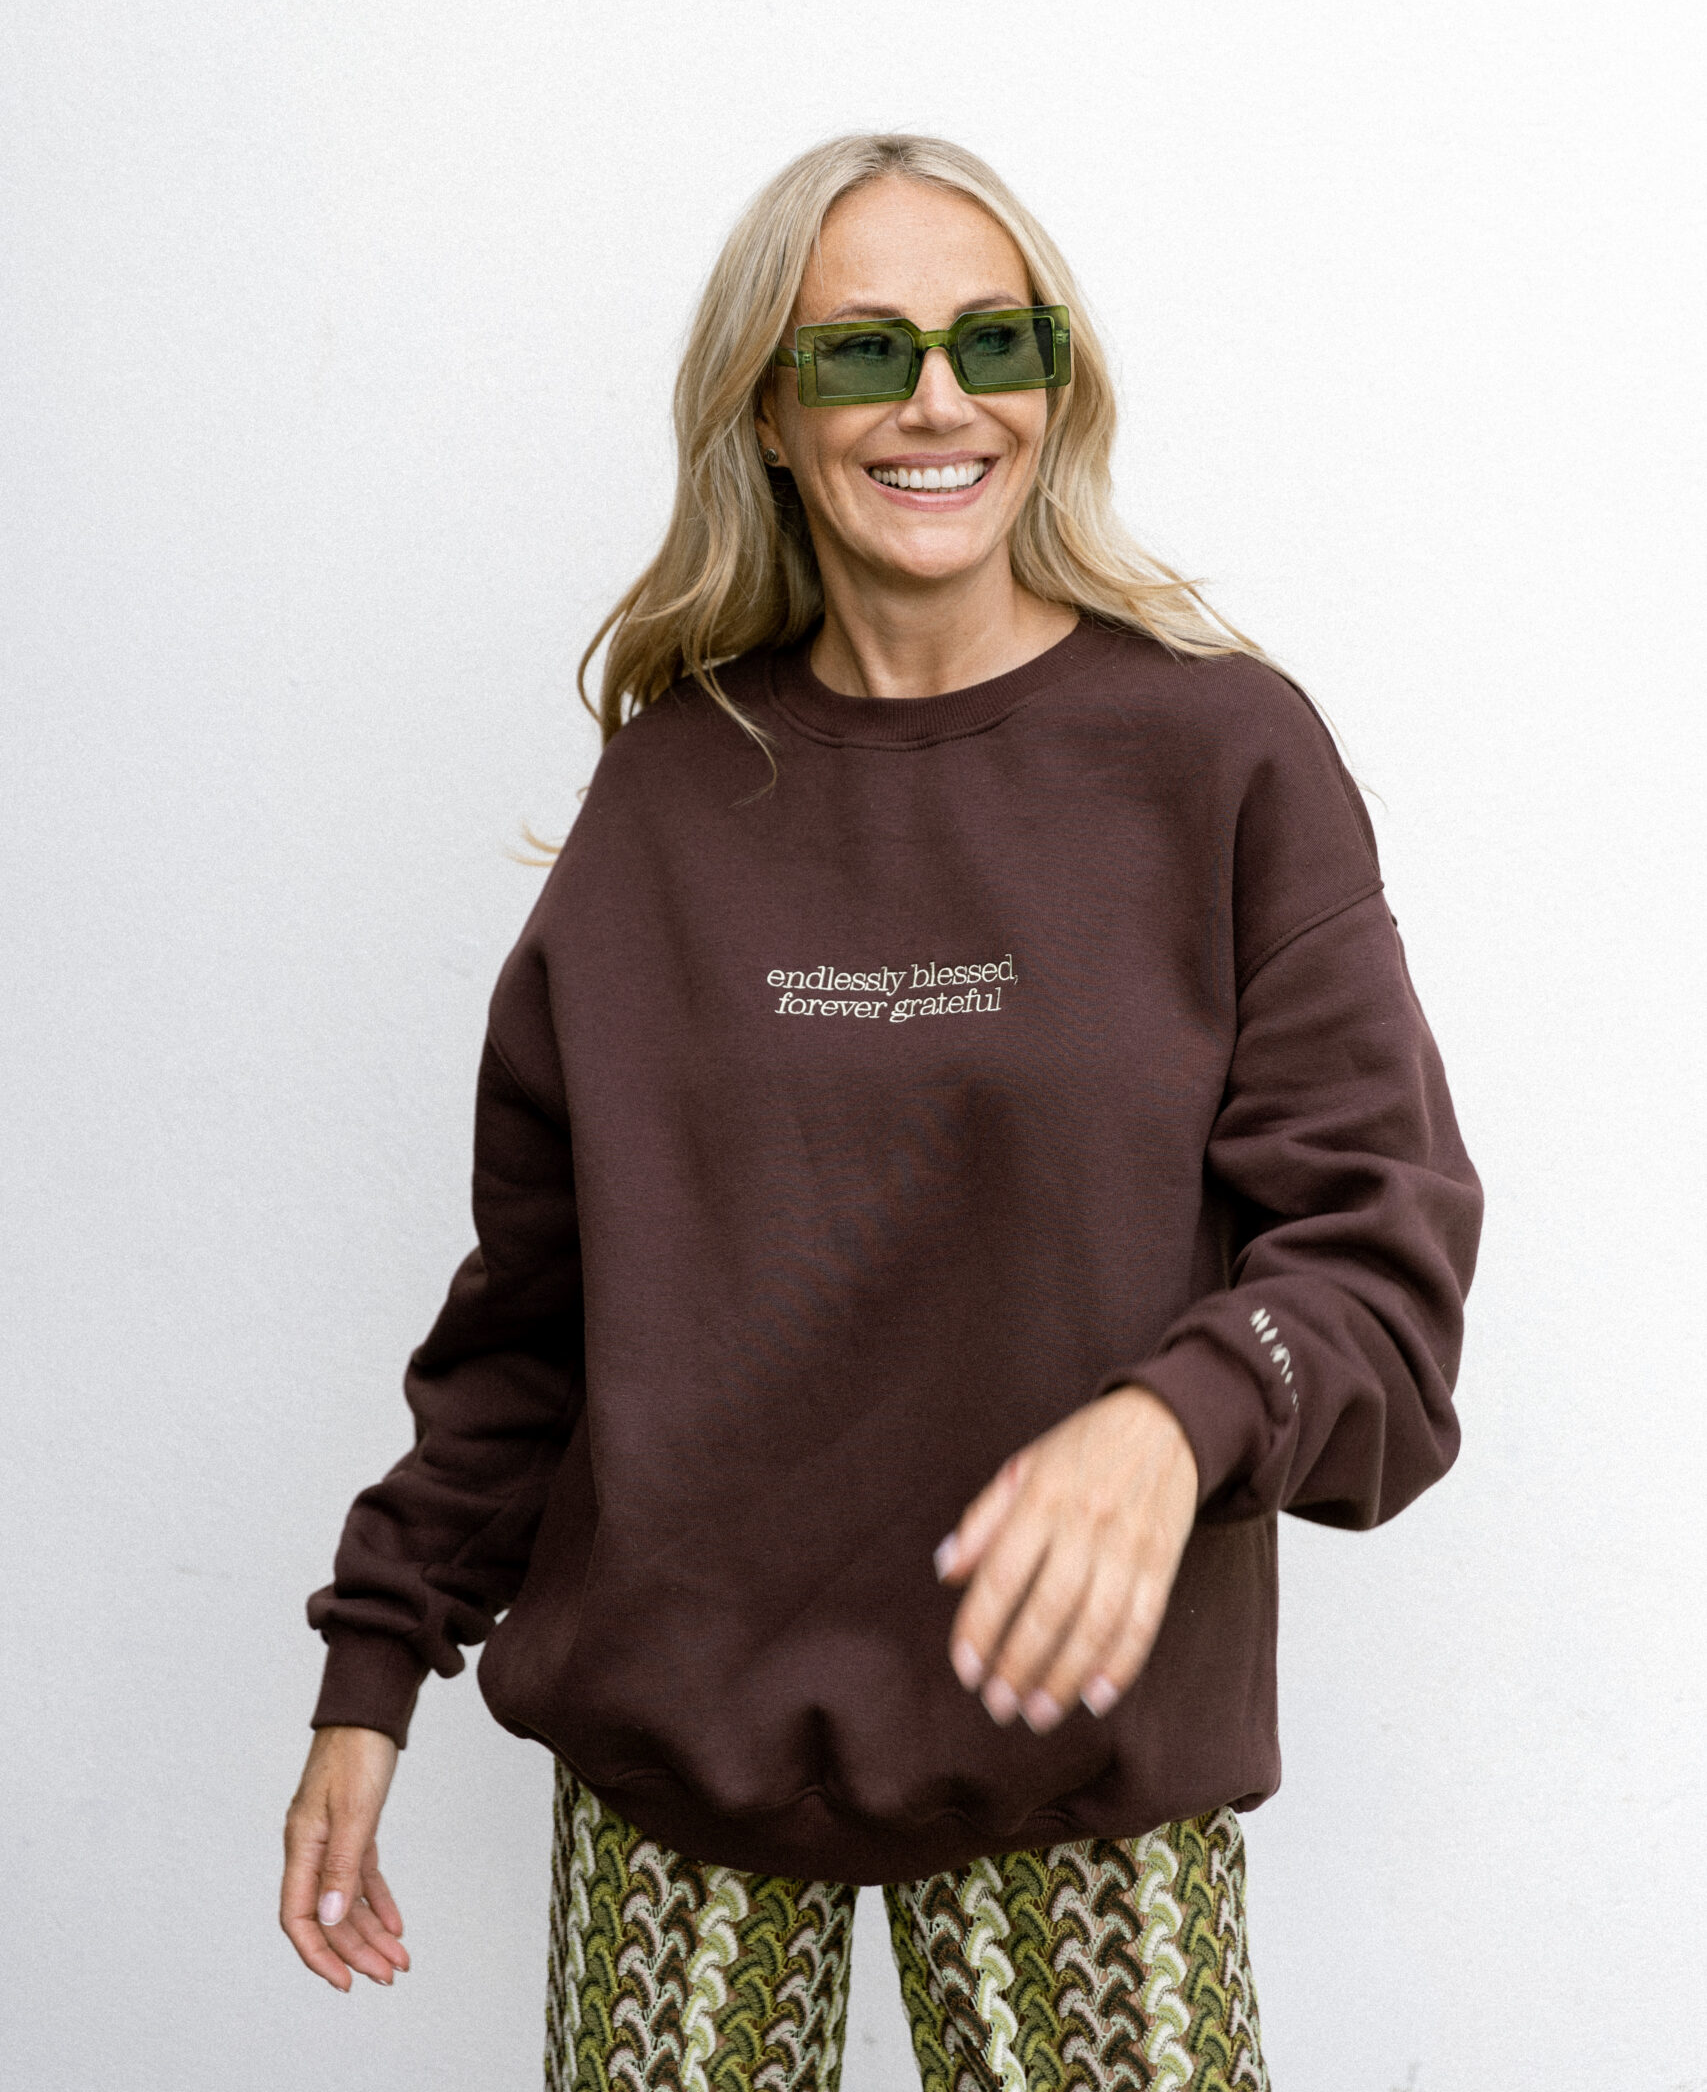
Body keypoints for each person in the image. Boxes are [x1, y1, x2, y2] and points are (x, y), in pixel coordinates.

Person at [282, 132, 1481, 2089]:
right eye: (861, 351)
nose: (938, 399)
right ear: (767, 411)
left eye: (994, 339)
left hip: (1084, 1753)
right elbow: (538, 1312)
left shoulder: (1222, 759)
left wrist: (1172, 1417)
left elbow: (1382, 1263)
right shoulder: (669, 795)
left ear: (1055, 384)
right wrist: (375, 1656)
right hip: (676, 1766)